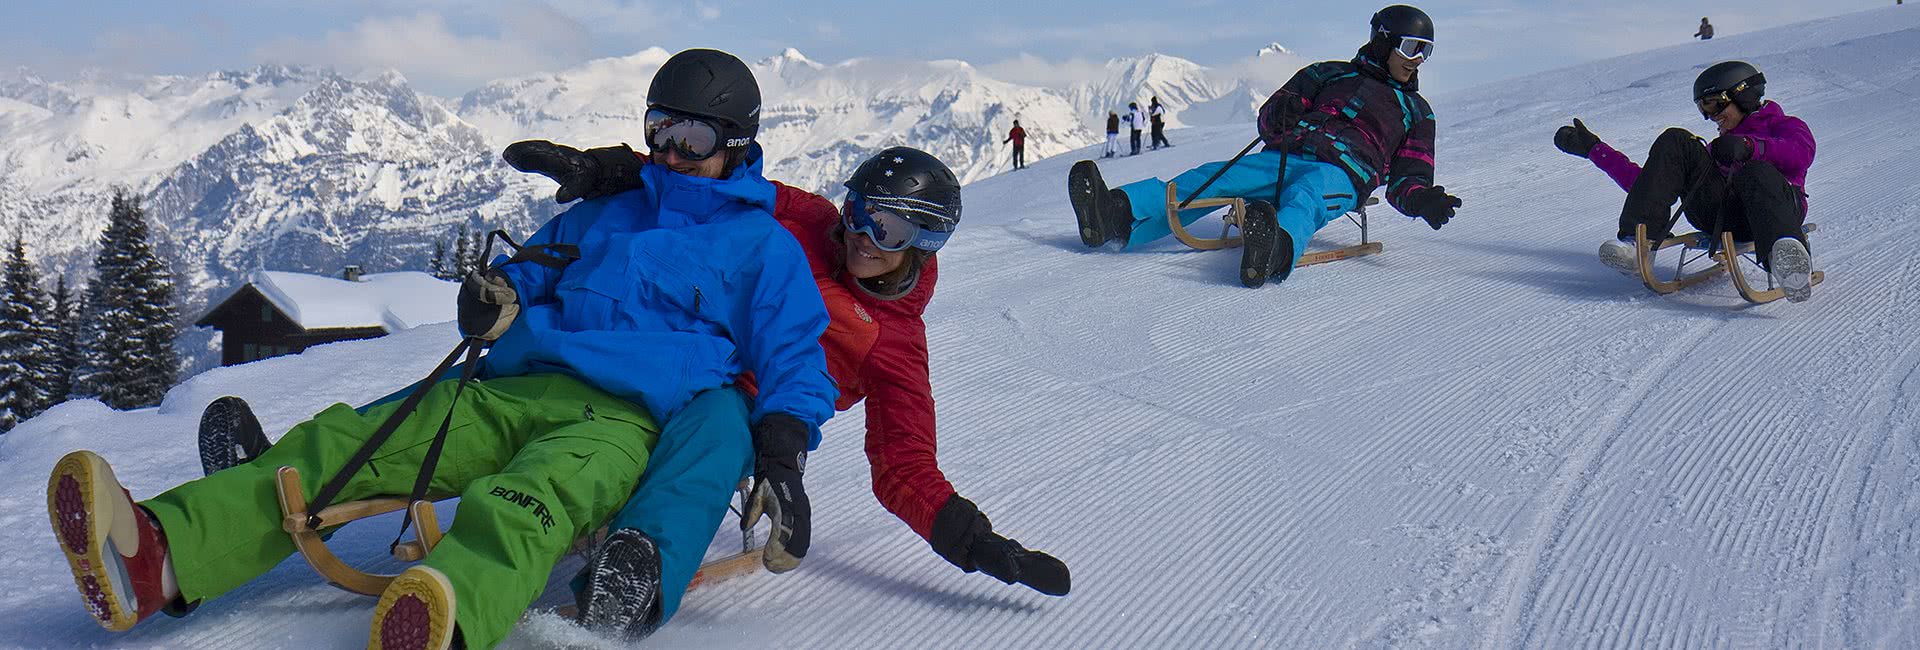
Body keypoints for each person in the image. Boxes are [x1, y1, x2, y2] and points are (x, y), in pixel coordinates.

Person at [45, 48, 837, 650]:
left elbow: (798, 357)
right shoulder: (607, 214)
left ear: (735, 143)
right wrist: (499, 293)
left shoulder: (761, 249)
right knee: (350, 441)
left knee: (533, 500)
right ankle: (157, 553)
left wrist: (782, 445)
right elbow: (534, 269)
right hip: (513, 384)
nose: (670, 154)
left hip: (623, 421)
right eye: (658, 131)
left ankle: (449, 612)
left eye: (691, 137)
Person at [485, 144, 1074, 639]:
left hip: (743, 405)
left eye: (887, 228)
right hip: (669, 345)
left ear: (924, 243)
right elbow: (715, 186)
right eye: (859, 211)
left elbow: (904, 466)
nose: (862, 236)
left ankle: (634, 580)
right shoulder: (816, 223)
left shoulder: (896, 347)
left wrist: (975, 542)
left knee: (713, 437)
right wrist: (610, 169)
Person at [1068, 5, 1460, 288]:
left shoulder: (1416, 112)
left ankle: (1275, 249)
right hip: (1283, 155)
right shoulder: (1328, 73)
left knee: (1307, 197)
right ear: (1382, 42)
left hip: (1342, 173)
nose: (1419, 60)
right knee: (1213, 177)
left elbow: (1410, 174)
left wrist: (1421, 199)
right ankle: (1116, 214)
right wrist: (1282, 111)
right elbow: (1270, 119)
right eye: (1412, 48)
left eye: (1427, 50)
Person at [1554, 60, 1817, 302]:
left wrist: (1750, 147)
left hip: (1776, 214)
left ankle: (1788, 261)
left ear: (1743, 95)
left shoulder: (1785, 127)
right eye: (1703, 107)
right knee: (1677, 140)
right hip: (1721, 217)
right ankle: (1638, 246)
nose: (1710, 115)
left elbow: (1801, 154)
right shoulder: (1719, 148)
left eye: (1714, 103)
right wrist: (1594, 149)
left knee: (1755, 172)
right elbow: (1650, 183)